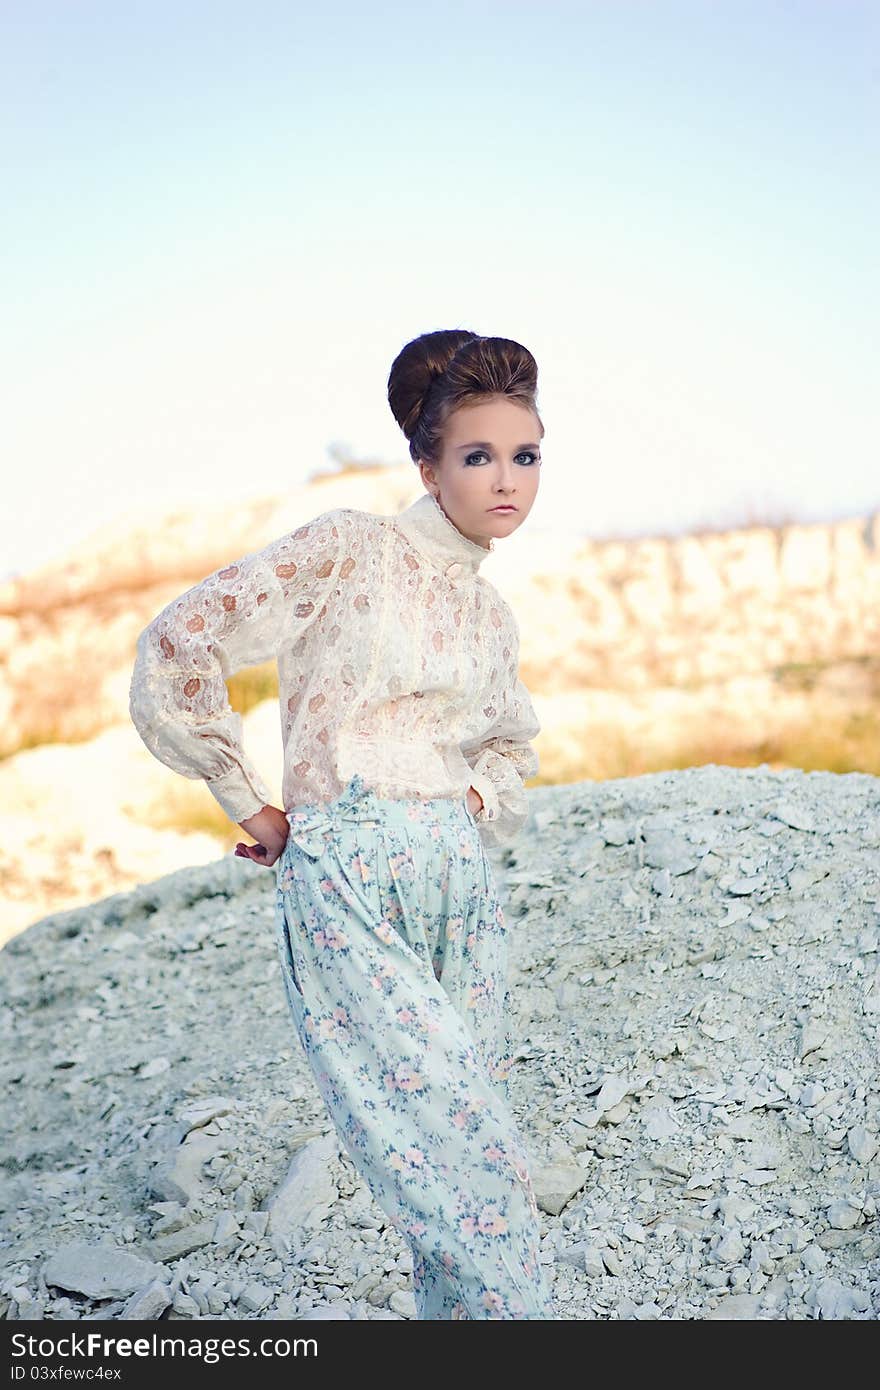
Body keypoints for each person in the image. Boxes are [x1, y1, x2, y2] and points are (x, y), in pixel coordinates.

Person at [129, 328, 552, 1320]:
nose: (506, 480)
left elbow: (511, 744)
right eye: (477, 455)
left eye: (525, 455)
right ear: (425, 462)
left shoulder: (491, 620)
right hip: (349, 874)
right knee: (452, 1154)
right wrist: (245, 798)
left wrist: (471, 799)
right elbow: (183, 636)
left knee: (473, 1134)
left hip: (461, 887)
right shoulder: (348, 549)